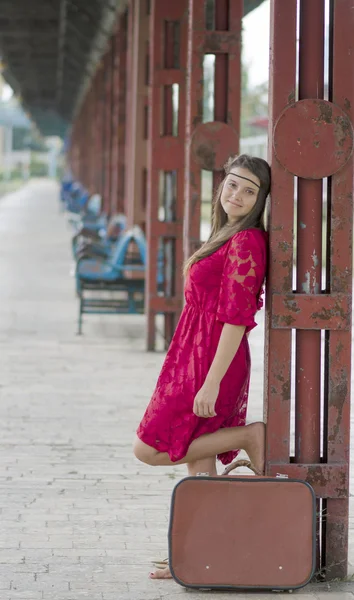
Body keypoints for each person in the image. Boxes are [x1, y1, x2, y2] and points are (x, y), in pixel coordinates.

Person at [133, 154, 271, 579]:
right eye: (233, 184)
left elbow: (236, 317)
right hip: (191, 354)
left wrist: (209, 383)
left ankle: (251, 434)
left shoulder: (247, 241)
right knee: (200, 467)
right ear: (221, 185)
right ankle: (196, 554)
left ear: (261, 199)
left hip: (212, 361)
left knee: (150, 448)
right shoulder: (225, 232)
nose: (238, 195)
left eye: (250, 191)